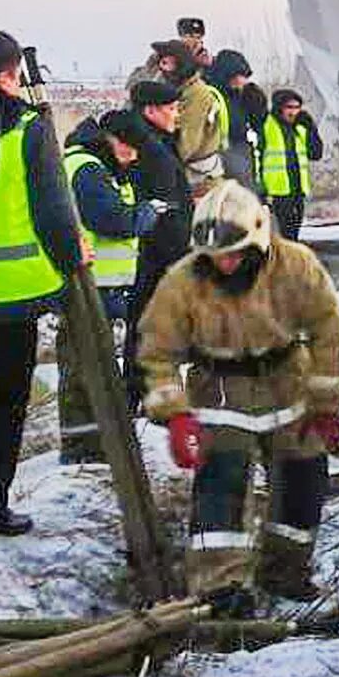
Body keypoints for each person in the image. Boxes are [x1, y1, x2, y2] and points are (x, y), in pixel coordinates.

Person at [136, 182, 339, 614]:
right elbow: (156, 351)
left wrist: (325, 405)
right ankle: (220, 588)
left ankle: (285, 572)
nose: (225, 264)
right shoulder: (182, 281)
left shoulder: (296, 266)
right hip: (219, 392)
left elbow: (329, 331)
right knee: (221, 491)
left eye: (233, 255)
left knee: (303, 483)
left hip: (288, 383)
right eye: (215, 257)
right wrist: (175, 415)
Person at [0, 28, 86, 534]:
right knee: (3, 408)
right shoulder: (28, 129)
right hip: (10, 299)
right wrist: (72, 266)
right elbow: (54, 213)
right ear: (7, 75)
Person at [58, 111, 163, 463]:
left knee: (96, 368)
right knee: (83, 368)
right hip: (86, 285)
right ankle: (81, 449)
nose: (134, 157)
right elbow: (112, 219)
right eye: (130, 149)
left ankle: (94, 443)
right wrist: (145, 215)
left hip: (102, 285)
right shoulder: (87, 168)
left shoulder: (100, 165)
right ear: (112, 139)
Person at [123, 79, 191, 406]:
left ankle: (142, 392)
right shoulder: (149, 148)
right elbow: (162, 206)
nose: (177, 114)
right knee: (149, 326)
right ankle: (142, 394)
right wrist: (179, 255)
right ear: (150, 111)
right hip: (157, 253)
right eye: (172, 108)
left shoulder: (157, 140)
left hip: (160, 250)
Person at [151, 37, 230, 196]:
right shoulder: (179, 92)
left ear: (181, 65)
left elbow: (187, 146)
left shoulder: (196, 95)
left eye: (167, 64)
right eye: (161, 63)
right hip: (190, 181)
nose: (163, 70)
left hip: (201, 184)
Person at [259, 89, 323, 241]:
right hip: (276, 192)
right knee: (279, 237)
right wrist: (260, 189)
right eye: (289, 107)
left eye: (297, 107)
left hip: (297, 190)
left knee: (293, 235)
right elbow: (258, 157)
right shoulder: (267, 125)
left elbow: (316, 154)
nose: (293, 112)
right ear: (279, 108)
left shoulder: (301, 127)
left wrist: (312, 129)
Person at [204, 49, 264, 190]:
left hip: (240, 152)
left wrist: (258, 103)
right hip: (221, 154)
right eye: (239, 75)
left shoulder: (242, 96)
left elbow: (259, 123)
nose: (242, 81)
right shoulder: (212, 94)